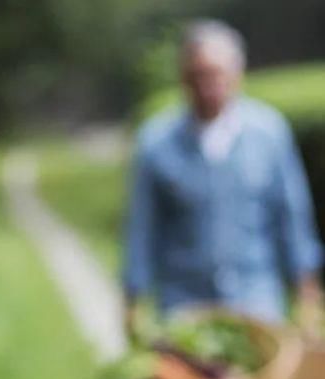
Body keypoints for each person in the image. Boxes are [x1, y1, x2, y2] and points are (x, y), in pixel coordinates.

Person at [123, 20, 323, 332]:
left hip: (257, 298)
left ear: (237, 73)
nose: (208, 86)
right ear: (183, 78)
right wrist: (133, 295)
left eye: (216, 74)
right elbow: (143, 226)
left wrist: (305, 287)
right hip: (185, 304)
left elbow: (291, 214)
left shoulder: (269, 132)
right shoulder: (156, 143)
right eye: (198, 75)